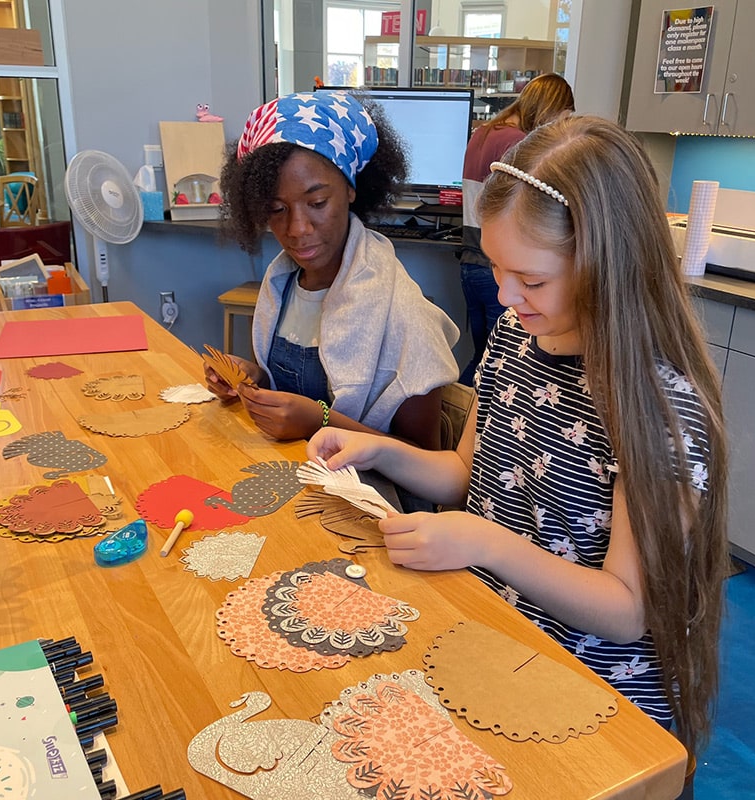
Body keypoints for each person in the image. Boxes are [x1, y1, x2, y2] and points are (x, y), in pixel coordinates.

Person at [308, 115, 728, 764]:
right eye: (496, 268)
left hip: (597, 708)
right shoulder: (516, 336)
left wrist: (485, 543)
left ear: (607, 269)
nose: (506, 297)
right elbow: (466, 472)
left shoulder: (659, 406)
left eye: (531, 280)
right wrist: (380, 450)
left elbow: (626, 610)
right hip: (499, 649)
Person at [208, 91, 459, 448]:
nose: (298, 229)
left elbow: (426, 459)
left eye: (317, 202)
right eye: (277, 209)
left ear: (351, 188)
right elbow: (290, 391)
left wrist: (320, 421)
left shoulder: (406, 316)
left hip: (360, 484)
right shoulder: (282, 283)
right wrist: (253, 379)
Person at [459, 73, 574, 385]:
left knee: (482, 357)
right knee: (492, 365)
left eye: (534, 282)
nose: (506, 297)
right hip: (487, 261)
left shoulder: (482, 134)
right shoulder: (519, 145)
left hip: (471, 258)